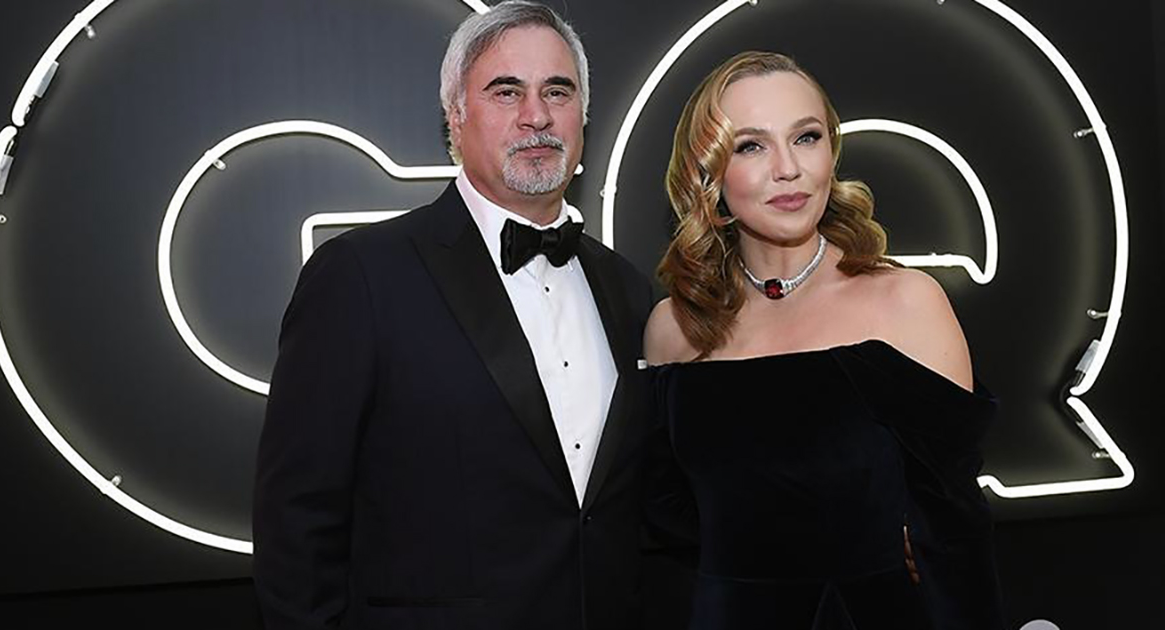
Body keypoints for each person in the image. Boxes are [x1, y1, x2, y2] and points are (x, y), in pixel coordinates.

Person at [253, 3, 665, 629]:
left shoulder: (628, 289)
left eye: (557, 91)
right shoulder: (361, 275)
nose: (536, 115)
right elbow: (297, 516)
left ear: (582, 114)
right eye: (507, 91)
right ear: (456, 114)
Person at [644, 51, 1004, 629]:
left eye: (806, 137)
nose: (787, 168)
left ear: (831, 152)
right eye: (751, 146)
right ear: (707, 173)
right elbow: (670, 528)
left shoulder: (907, 302)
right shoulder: (674, 329)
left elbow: (956, 545)